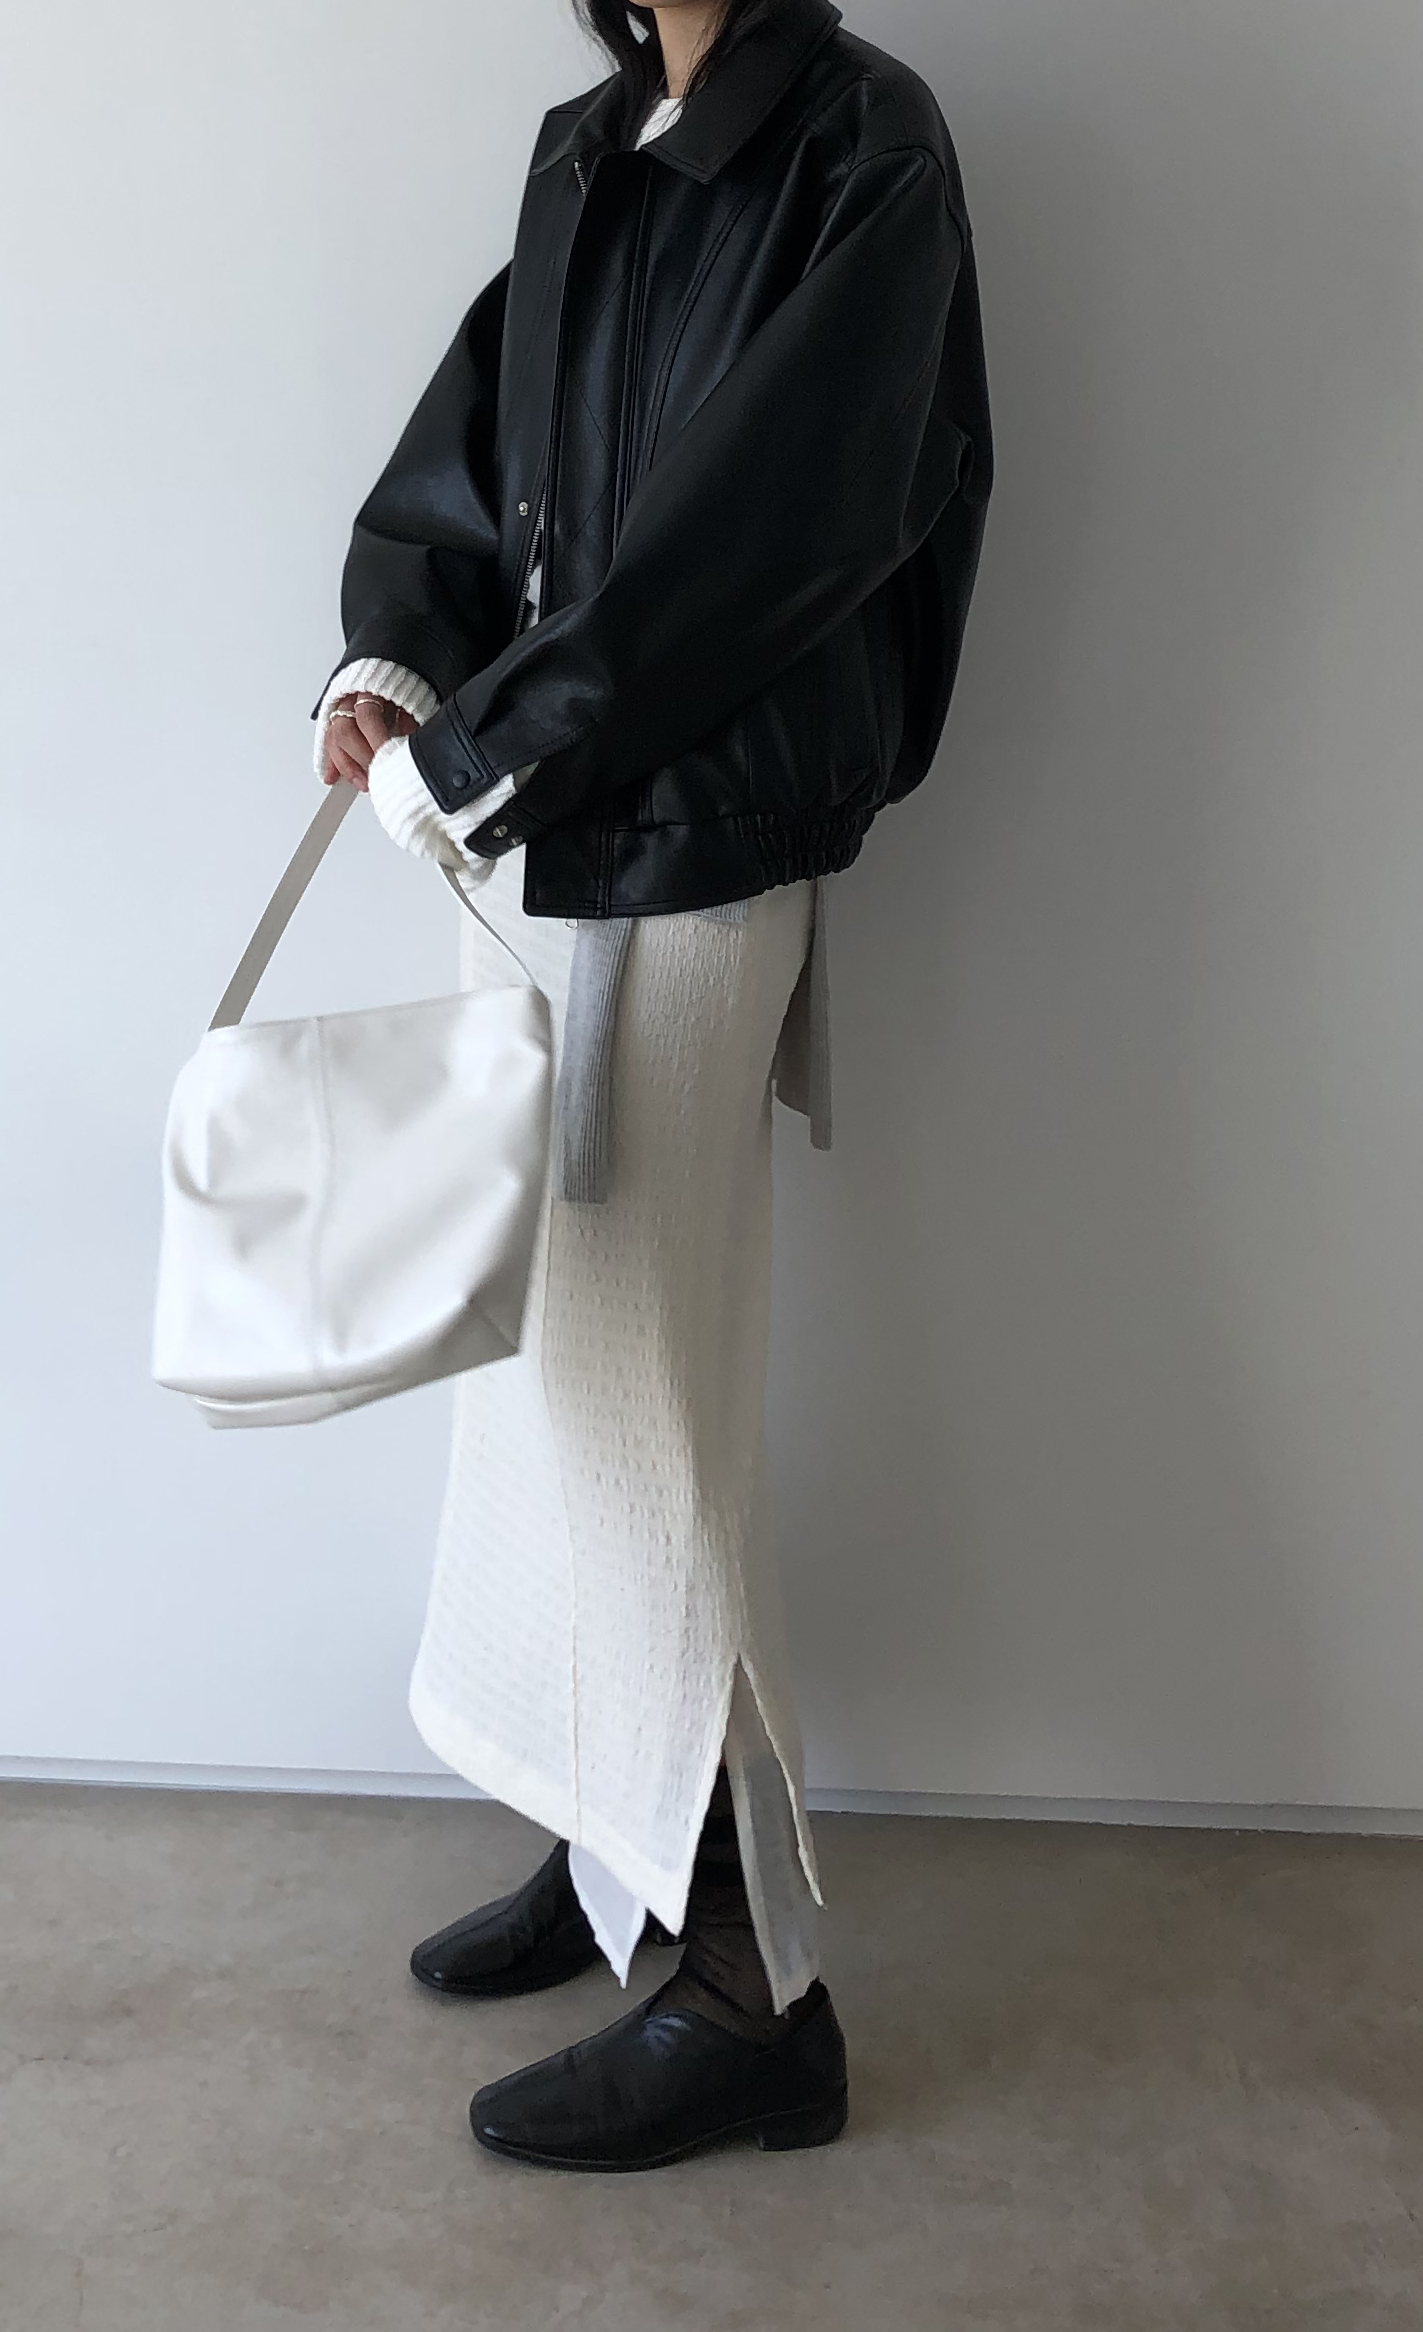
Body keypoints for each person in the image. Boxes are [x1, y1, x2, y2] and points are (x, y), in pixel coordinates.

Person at [316, 0, 990, 2171]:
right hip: (518, 840)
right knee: (545, 1373)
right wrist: (393, 667)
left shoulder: (864, 145)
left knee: (640, 1397)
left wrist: (504, 742)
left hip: (681, 846)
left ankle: (744, 1991)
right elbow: (476, 447)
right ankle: (613, 1835)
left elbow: (783, 522)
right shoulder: (596, 139)